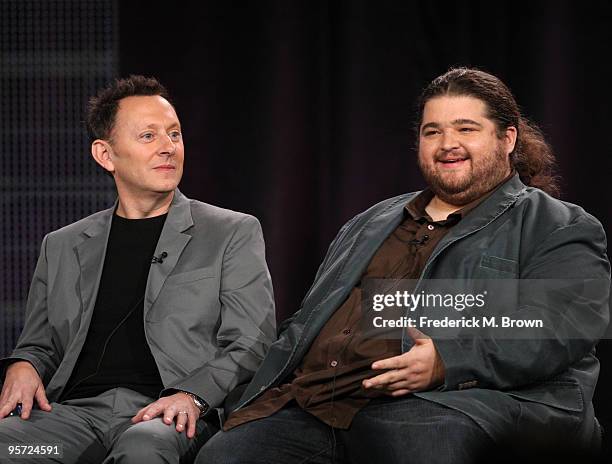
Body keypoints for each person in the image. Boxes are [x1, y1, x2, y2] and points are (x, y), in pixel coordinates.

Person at [197, 68, 610, 464]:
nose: (448, 143)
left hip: (459, 404)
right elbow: (307, 322)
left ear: (507, 139)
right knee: (226, 453)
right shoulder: (370, 222)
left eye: (466, 129)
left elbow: (562, 322)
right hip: (323, 403)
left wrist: (447, 359)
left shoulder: (558, 223)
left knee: (416, 439)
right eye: (433, 131)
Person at [0, 75, 276, 463]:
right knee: (10, 445)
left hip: (168, 413)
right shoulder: (61, 244)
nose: (168, 148)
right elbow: (39, 344)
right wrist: (24, 364)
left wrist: (193, 396)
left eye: (175, 134)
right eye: (149, 136)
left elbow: (252, 342)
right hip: (74, 418)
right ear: (105, 155)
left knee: (143, 448)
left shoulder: (230, 231)